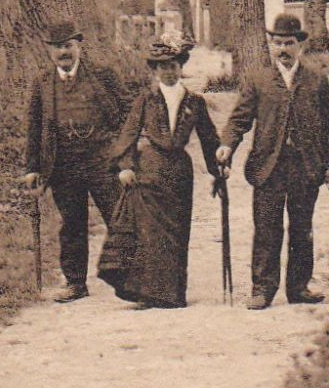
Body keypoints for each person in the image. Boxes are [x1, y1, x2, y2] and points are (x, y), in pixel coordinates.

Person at [215, 13, 329, 311]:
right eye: (277, 43)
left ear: (300, 45)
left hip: (305, 166)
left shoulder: (316, 80)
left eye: (289, 43)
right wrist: (226, 146)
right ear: (270, 45)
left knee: (302, 227)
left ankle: (298, 287)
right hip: (268, 166)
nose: (283, 49)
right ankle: (262, 288)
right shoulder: (258, 80)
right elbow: (239, 119)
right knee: (266, 228)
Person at [98, 36, 222, 309]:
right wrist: (126, 166)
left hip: (179, 173)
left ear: (181, 68)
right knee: (149, 235)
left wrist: (217, 172)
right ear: (154, 71)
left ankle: (173, 294)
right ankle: (146, 292)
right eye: (162, 66)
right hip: (149, 170)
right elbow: (128, 133)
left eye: (173, 65)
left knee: (177, 233)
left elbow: (209, 139)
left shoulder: (195, 102)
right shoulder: (145, 100)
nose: (168, 71)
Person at [23, 20, 129, 303]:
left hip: (102, 160)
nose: (63, 53)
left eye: (68, 46)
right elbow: (34, 127)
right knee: (72, 223)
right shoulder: (42, 83)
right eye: (57, 48)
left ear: (78, 46)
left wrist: (124, 152)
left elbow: (127, 113)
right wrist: (32, 168)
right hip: (63, 164)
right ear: (49, 52)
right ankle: (75, 283)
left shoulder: (103, 75)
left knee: (118, 215)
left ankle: (134, 276)